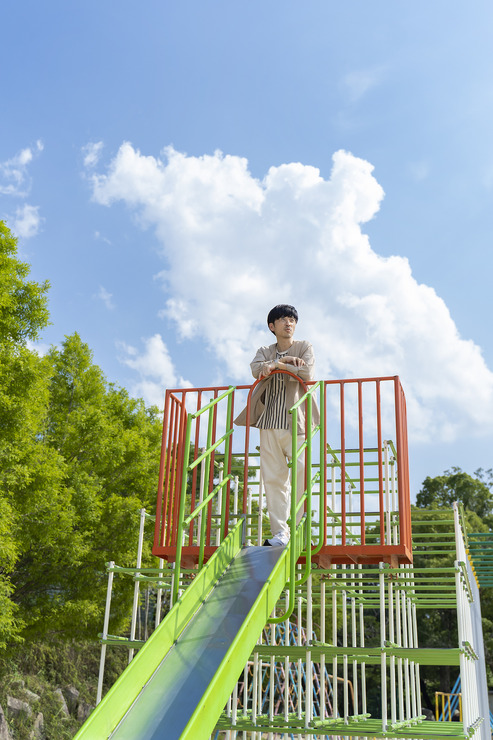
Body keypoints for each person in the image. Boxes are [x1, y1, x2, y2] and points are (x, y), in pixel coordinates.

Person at [234, 304, 318, 546]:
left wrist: (278, 365)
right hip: (269, 421)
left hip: (298, 422)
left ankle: (302, 531)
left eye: (291, 319)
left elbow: (307, 372)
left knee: (302, 476)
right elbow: (256, 370)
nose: (288, 323)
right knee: (273, 479)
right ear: (272, 326)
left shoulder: (304, 346)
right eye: (282, 319)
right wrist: (283, 363)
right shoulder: (264, 349)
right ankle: (281, 534)